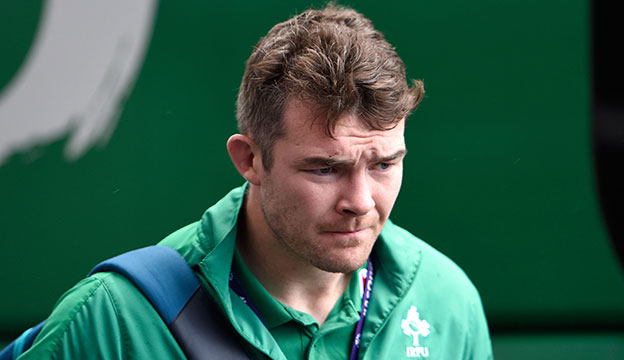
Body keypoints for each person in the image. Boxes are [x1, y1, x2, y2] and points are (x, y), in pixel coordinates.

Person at [18, 4, 493, 359]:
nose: (361, 201)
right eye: (325, 168)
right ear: (250, 160)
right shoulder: (113, 319)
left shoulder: (445, 299)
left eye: (384, 165)